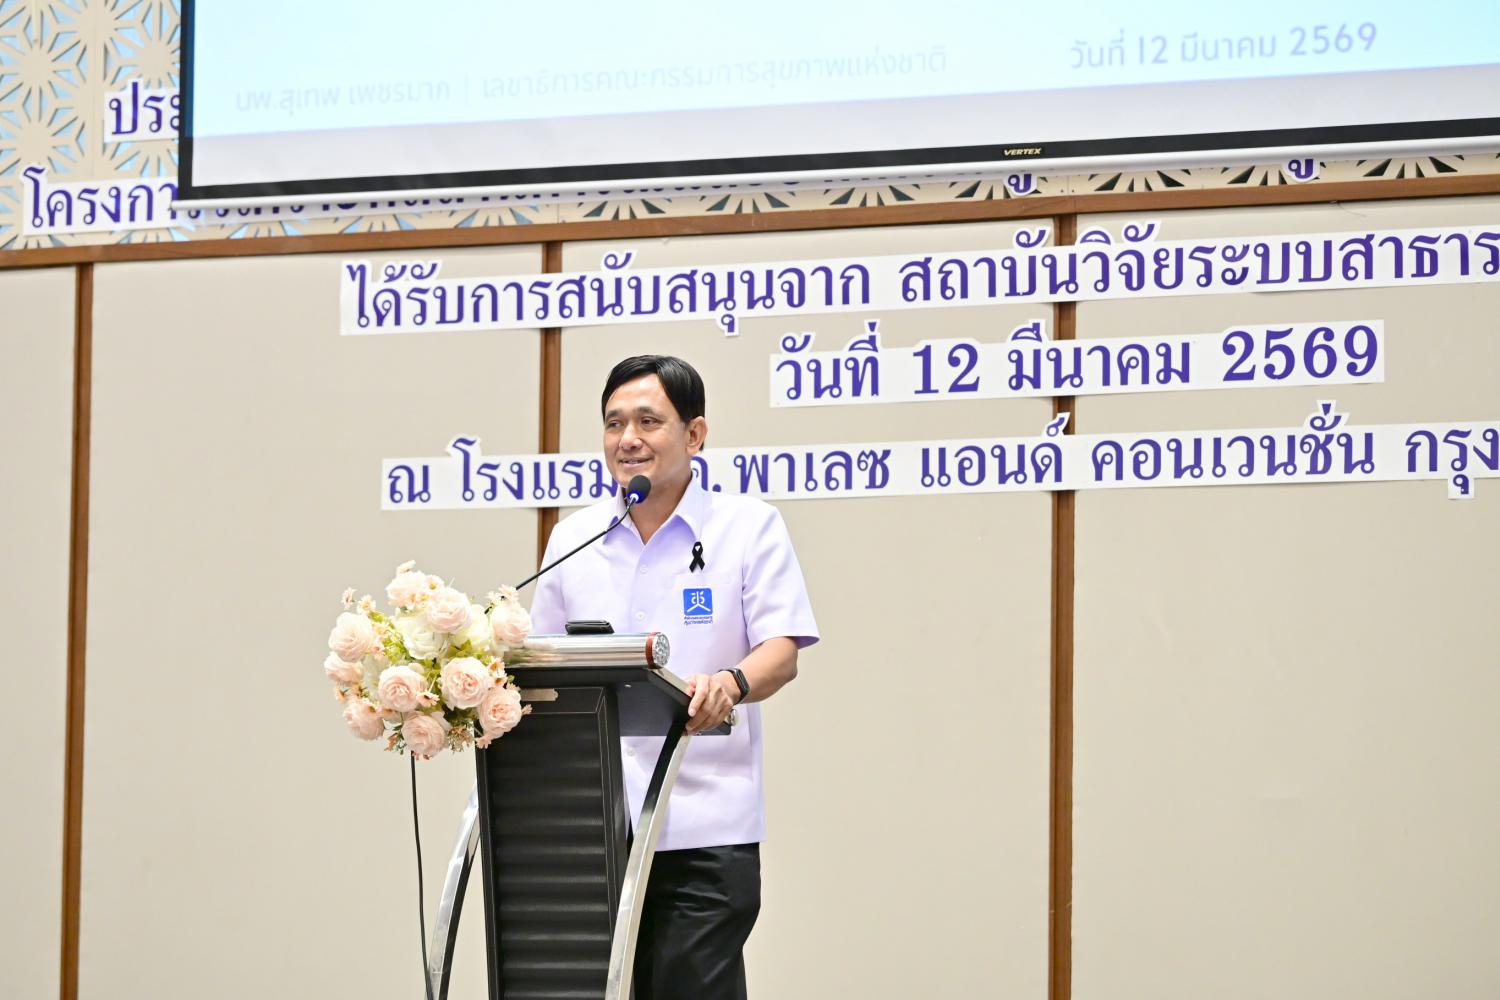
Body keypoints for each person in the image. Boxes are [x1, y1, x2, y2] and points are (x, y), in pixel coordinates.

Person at [529, 354, 819, 999]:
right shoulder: (575, 538)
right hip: (592, 827)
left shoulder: (746, 526)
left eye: (648, 421)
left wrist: (730, 684)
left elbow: (782, 648)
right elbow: (543, 663)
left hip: (704, 825)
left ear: (694, 434)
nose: (627, 439)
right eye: (614, 423)